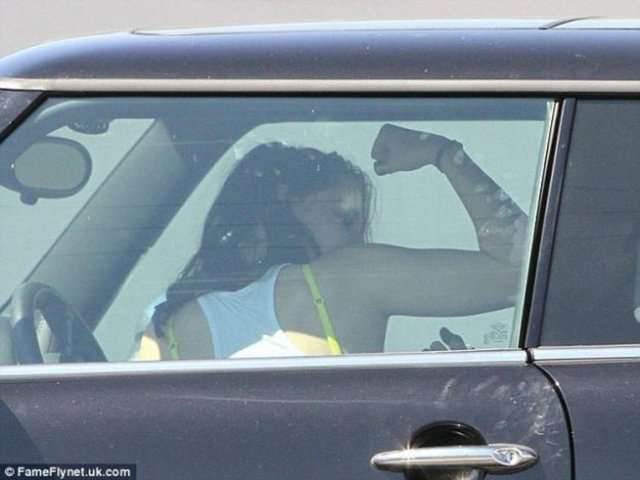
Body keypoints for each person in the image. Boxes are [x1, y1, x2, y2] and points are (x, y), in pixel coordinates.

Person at [140, 124, 526, 360]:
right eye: (345, 219)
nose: (357, 241)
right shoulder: (345, 278)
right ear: (289, 204)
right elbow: (521, 269)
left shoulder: (166, 324)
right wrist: (443, 153)